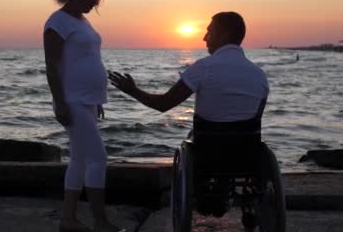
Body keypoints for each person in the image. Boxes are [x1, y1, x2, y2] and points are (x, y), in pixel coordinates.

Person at [108, 11, 269, 216]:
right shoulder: (259, 75)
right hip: (246, 154)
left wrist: (133, 91)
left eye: (209, 32)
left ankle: (206, 191)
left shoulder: (204, 68)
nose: (204, 37)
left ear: (224, 34)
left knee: (194, 139)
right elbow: (256, 119)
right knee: (233, 135)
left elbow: (163, 104)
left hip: (207, 153)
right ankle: (223, 187)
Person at [44, 0, 124, 232]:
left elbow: (87, 59)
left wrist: (96, 99)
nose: (96, 3)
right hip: (72, 100)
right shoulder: (57, 22)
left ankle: (68, 220)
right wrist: (61, 103)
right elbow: (52, 67)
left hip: (88, 100)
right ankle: (100, 222)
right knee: (98, 159)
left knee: (78, 160)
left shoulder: (82, 21)